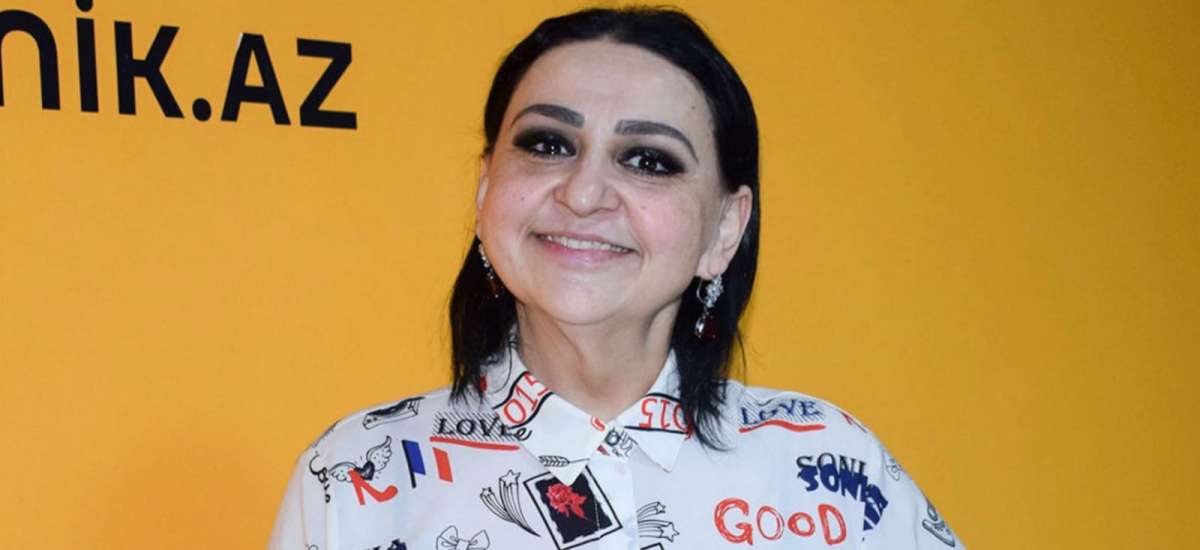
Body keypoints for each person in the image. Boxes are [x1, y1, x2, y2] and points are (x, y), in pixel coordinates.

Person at [268, 6, 963, 550]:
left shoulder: (833, 472)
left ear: (725, 227)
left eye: (649, 160)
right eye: (547, 144)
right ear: (485, 191)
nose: (583, 193)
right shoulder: (358, 478)